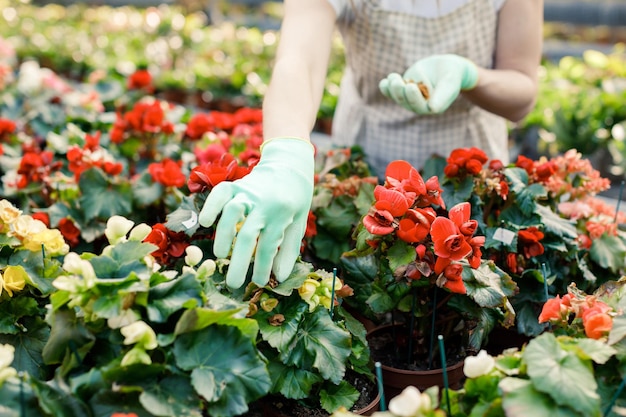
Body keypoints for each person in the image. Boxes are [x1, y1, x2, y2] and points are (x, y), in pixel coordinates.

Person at [199, 0, 544, 289]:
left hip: (468, 173)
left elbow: (522, 92)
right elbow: (298, 59)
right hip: (368, 165)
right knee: (368, 285)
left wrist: (470, 75)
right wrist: (286, 152)